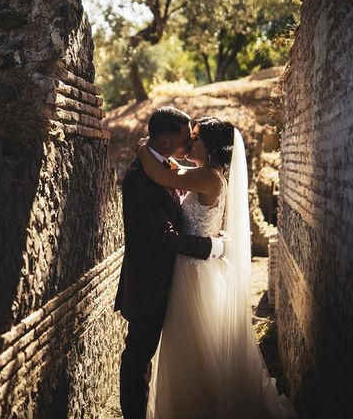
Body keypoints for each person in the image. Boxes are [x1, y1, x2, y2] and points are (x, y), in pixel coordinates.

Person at [138, 116, 295, 419]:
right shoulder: (204, 173)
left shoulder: (208, 177)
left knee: (198, 343)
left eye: (195, 138)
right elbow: (173, 170)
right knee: (193, 345)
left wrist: (145, 148)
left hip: (196, 271)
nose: (189, 143)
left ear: (210, 146)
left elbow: (162, 177)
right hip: (192, 265)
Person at [114, 107, 227, 419]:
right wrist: (212, 246)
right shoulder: (141, 177)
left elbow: (171, 182)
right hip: (151, 283)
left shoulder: (170, 168)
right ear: (164, 143)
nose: (189, 146)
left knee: (194, 353)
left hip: (182, 279)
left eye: (194, 140)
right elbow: (161, 237)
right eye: (185, 140)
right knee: (138, 356)